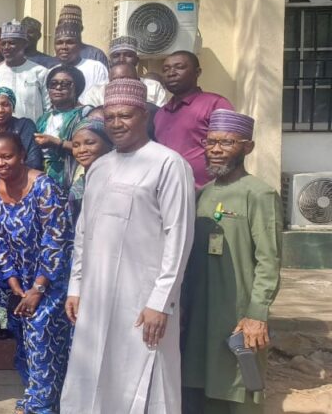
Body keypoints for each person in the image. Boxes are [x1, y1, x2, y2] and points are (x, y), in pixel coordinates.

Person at [60, 79, 195, 414]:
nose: (116, 123)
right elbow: (84, 231)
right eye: (110, 116)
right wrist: (76, 287)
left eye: (125, 115)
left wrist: (161, 302)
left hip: (143, 299)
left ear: (145, 115)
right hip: (96, 294)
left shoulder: (168, 164)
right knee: (92, 373)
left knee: (145, 370)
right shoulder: (98, 167)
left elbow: (179, 237)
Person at [182, 110, 281, 414]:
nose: (215, 149)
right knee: (196, 385)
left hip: (237, 314)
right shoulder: (203, 193)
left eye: (227, 142)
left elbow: (269, 260)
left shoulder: (260, 193)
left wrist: (257, 314)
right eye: (211, 142)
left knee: (238, 388)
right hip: (200, 310)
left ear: (247, 147)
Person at [0, 132, 74, 414]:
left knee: (42, 340)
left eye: (7, 156)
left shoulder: (44, 187)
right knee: (24, 341)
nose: (1, 163)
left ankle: (42, 406)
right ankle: (37, 395)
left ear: (22, 155)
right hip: (17, 285)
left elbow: (57, 240)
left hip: (51, 280)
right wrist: (13, 283)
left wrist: (38, 288)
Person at [155, 50, 234, 189]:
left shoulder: (215, 104)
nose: (171, 73)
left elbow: (230, 149)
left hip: (205, 193)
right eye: (165, 69)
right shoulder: (160, 114)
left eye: (179, 67)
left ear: (197, 72)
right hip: (166, 191)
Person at [34, 65, 87, 190]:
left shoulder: (84, 114)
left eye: (65, 84)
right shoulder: (43, 119)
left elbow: (88, 147)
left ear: (77, 88)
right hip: (43, 180)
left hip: (72, 176)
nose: (58, 88)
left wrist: (57, 143)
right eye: (53, 84)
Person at [0, 20, 50, 121]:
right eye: (3, 43)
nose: (6, 47)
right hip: (3, 134)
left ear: (24, 44)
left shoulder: (40, 72)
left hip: (34, 133)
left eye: (11, 43)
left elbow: (48, 108)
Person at [81, 36, 170, 107]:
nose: (122, 59)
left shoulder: (153, 87)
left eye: (128, 55)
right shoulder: (95, 92)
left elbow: (161, 119)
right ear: (110, 62)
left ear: (137, 60)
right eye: (116, 55)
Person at [0, 87, 43, 181]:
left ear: (13, 107)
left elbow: (34, 162)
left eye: (5, 105)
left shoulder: (25, 126)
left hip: (25, 182)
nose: (0, 110)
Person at [67, 116, 114, 221]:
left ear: (108, 143)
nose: (82, 150)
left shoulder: (124, 180)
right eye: (76, 145)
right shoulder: (77, 189)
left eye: (90, 143)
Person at [53, 21, 108, 91]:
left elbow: (102, 98)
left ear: (79, 45)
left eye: (70, 42)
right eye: (59, 43)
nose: (64, 47)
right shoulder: (51, 71)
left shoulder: (96, 68)